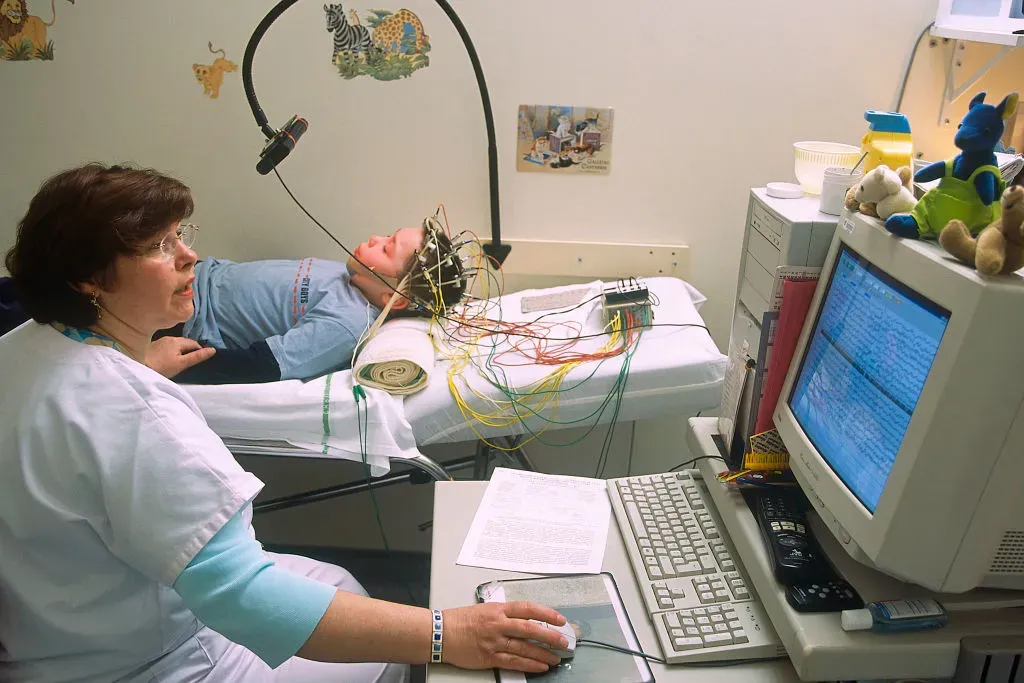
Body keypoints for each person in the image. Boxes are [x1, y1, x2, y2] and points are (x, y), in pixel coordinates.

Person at [0, 163, 567, 683]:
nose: (188, 257)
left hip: (53, 633)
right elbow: (242, 597)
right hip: (149, 663)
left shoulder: (21, 349)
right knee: (391, 655)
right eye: (158, 246)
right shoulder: (141, 415)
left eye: (182, 235)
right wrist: (451, 633)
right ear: (86, 280)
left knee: (343, 584)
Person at [144, 217, 467, 385]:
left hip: (179, 318)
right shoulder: (350, 277)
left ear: (393, 297)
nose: (374, 239)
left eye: (386, 248)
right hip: (191, 275)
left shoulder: (346, 324)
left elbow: (262, 366)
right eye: (386, 235)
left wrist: (165, 367)